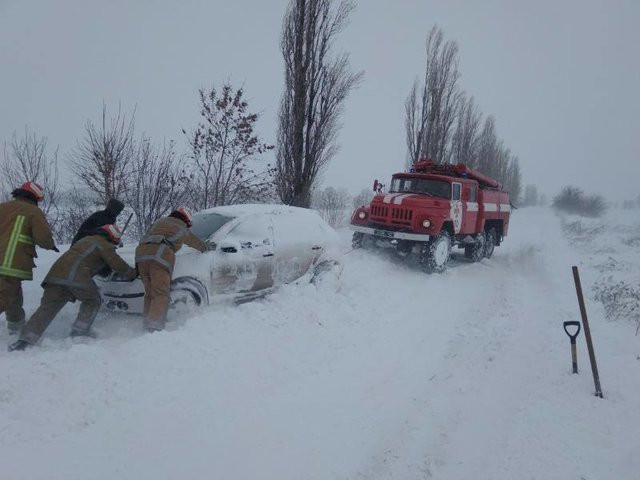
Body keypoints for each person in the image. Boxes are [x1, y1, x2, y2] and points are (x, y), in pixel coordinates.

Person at [9, 225, 137, 351]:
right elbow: (118, 264)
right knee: (93, 300)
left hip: (55, 277)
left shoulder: (85, 241)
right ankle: (80, 331)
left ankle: (25, 339)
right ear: (112, 238)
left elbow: (88, 260)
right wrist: (134, 274)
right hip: (75, 278)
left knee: (47, 308)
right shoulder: (103, 244)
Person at [135, 208, 207, 332]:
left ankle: (147, 323)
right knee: (160, 294)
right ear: (186, 220)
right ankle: (154, 327)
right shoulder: (181, 226)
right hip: (159, 257)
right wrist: (205, 247)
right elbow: (193, 241)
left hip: (141, 255)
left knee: (150, 294)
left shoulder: (159, 222)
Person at [0, 182, 57, 335]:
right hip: (10, 264)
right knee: (4, 297)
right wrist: (50, 245)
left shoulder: (2, 206)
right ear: (34, 197)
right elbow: (43, 238)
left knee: (14, 297)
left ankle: (16, 328)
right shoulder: (33, 211)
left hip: (5, 263)